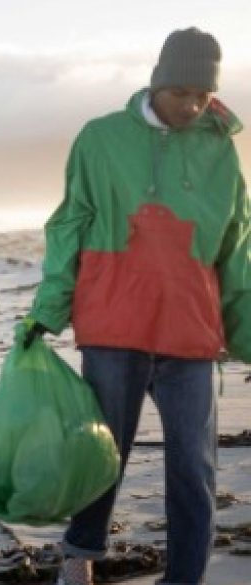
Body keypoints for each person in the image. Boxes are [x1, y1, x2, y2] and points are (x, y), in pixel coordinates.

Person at [22, 28, 250, 585]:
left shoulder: (221, 152)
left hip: (189, 332)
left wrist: (247, 336)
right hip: (114, 325)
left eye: (203, 95)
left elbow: (236, 250)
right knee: (103, 453)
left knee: (194, 467)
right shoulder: (101, 139)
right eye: (180, 92)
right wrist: (49, 309)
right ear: (156, 82)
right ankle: (80, 553)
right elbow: (70, 224)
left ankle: (186, 578)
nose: (191, 105)